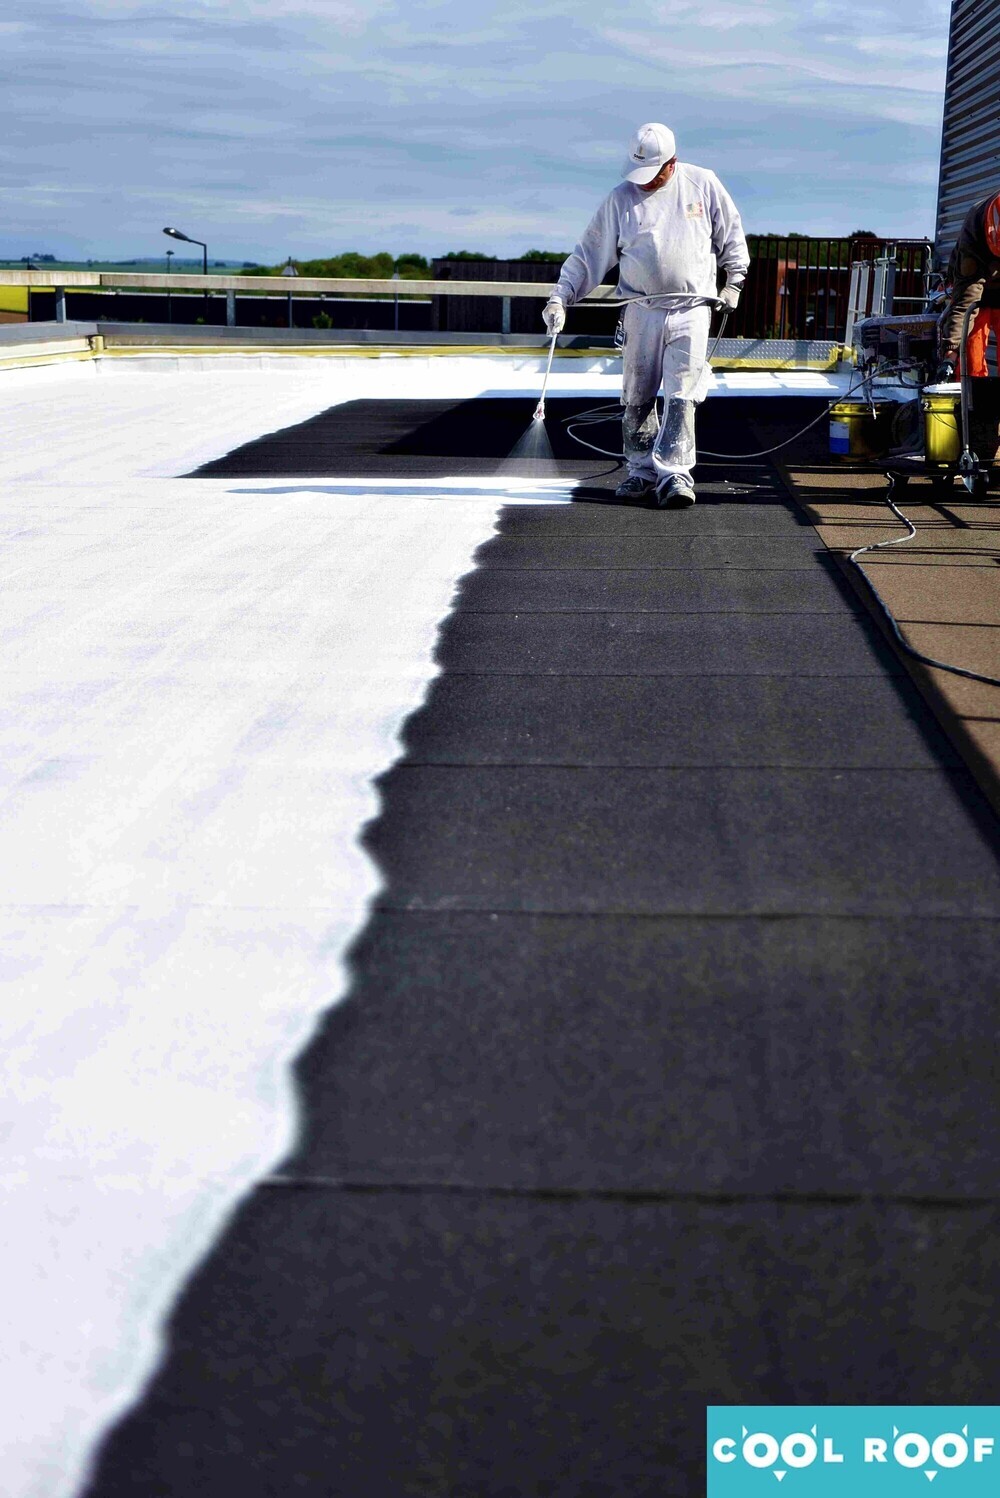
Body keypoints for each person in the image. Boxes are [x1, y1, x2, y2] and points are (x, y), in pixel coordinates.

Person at [543, 122, 749, 506]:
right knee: (637, 393)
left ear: (671, 164)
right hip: (640, 308)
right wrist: (561, 297)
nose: (646, 183)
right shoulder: (621, 200)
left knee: (681, 395)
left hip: (691, 307)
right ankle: (640, 470)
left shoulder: (702, 185)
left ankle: (674, 475)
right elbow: (589, 254)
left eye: (653, 174)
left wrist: (734, 280)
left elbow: (731, 235)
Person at [938, 189, 1000, 380]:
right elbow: (965, 303)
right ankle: (972, 403)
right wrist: (950, 353)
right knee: (970, 363)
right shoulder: (975, 231)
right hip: (977, 293)